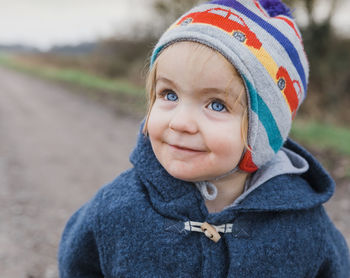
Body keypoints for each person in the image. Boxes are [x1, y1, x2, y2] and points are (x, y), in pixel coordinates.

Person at [58, 0, 350, 277]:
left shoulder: (303, 226)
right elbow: (77, 265)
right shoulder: (116, 209)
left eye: (216, 105)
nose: (181, 122)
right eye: (168, 95)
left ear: (263, 134)